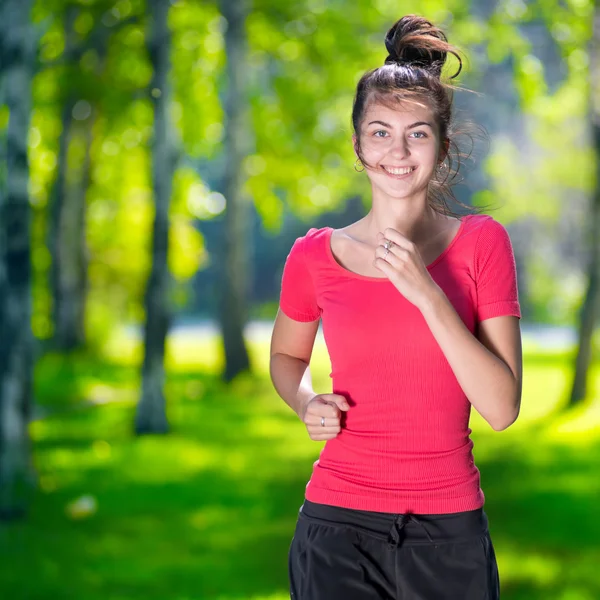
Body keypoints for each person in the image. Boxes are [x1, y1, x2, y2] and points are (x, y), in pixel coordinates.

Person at [269, 14, 522, 600]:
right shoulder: (315, 255)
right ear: (357, 143)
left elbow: (502, 407)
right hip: (336, 526)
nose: (398, 151)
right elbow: (286, 353)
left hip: (447, 533)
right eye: (380, 132)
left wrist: (426, 292)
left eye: (418, 133)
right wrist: (306, 401)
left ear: (442, 142)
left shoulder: (482, 243)